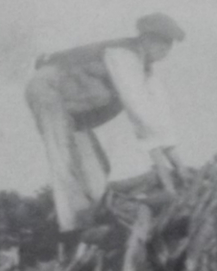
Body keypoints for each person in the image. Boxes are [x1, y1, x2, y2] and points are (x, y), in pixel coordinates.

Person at [25, 13, 186, 241]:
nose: (165, 50)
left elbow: (159, 118)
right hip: (49, 89)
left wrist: (179, 165)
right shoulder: (123, 55)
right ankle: (74, 229)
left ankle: (96, 219)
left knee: (96, 166)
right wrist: (166, 177)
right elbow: (139, 112)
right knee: (64, 157)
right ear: (146, 39)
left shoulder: (146, 71)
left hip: (77, 108)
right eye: (161, 42)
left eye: (169, 45)